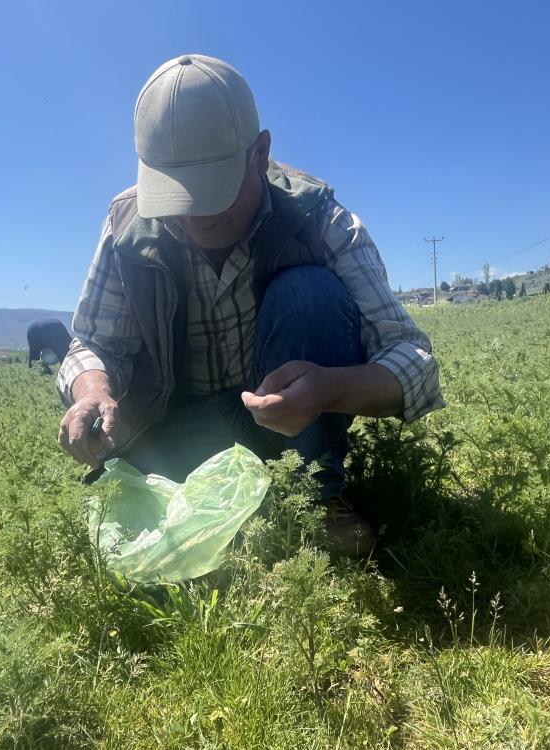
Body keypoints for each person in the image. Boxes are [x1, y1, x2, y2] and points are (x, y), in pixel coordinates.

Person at [57, 54, 444, 556]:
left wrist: (329, 388)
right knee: (140, 526)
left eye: (210, 192)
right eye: (176, 195)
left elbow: (416, 364)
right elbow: (92, 343)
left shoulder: (320, 219)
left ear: (260, 154)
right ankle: (229, 502)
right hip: (178, 423)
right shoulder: (127, 226)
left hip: (290, 430)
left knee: (309, 292)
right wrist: (92, 392)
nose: (193, 216)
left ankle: (318, 500)